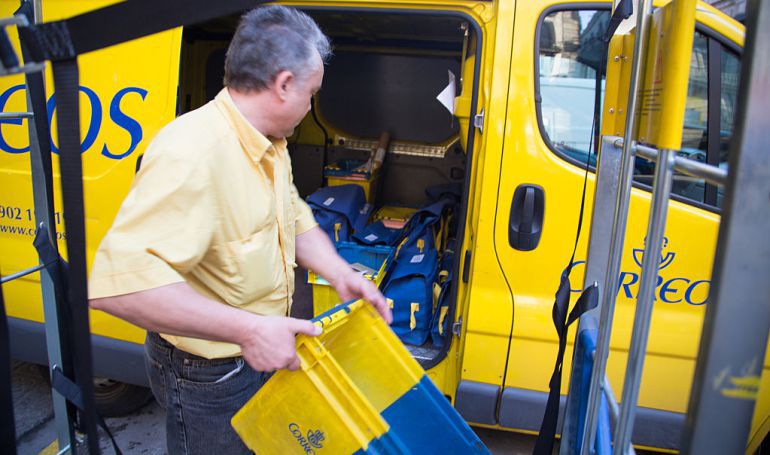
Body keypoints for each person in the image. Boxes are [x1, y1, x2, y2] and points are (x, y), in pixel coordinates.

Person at [88, 6, 391, 454]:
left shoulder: (270, 141)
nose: (310, 107)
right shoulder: (191, 153)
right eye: (312, 93)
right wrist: (250, 330)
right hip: (207, 373)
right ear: (284, 83)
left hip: (257, 349)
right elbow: (120, 288)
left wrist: (340, 273)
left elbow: (291, 212)